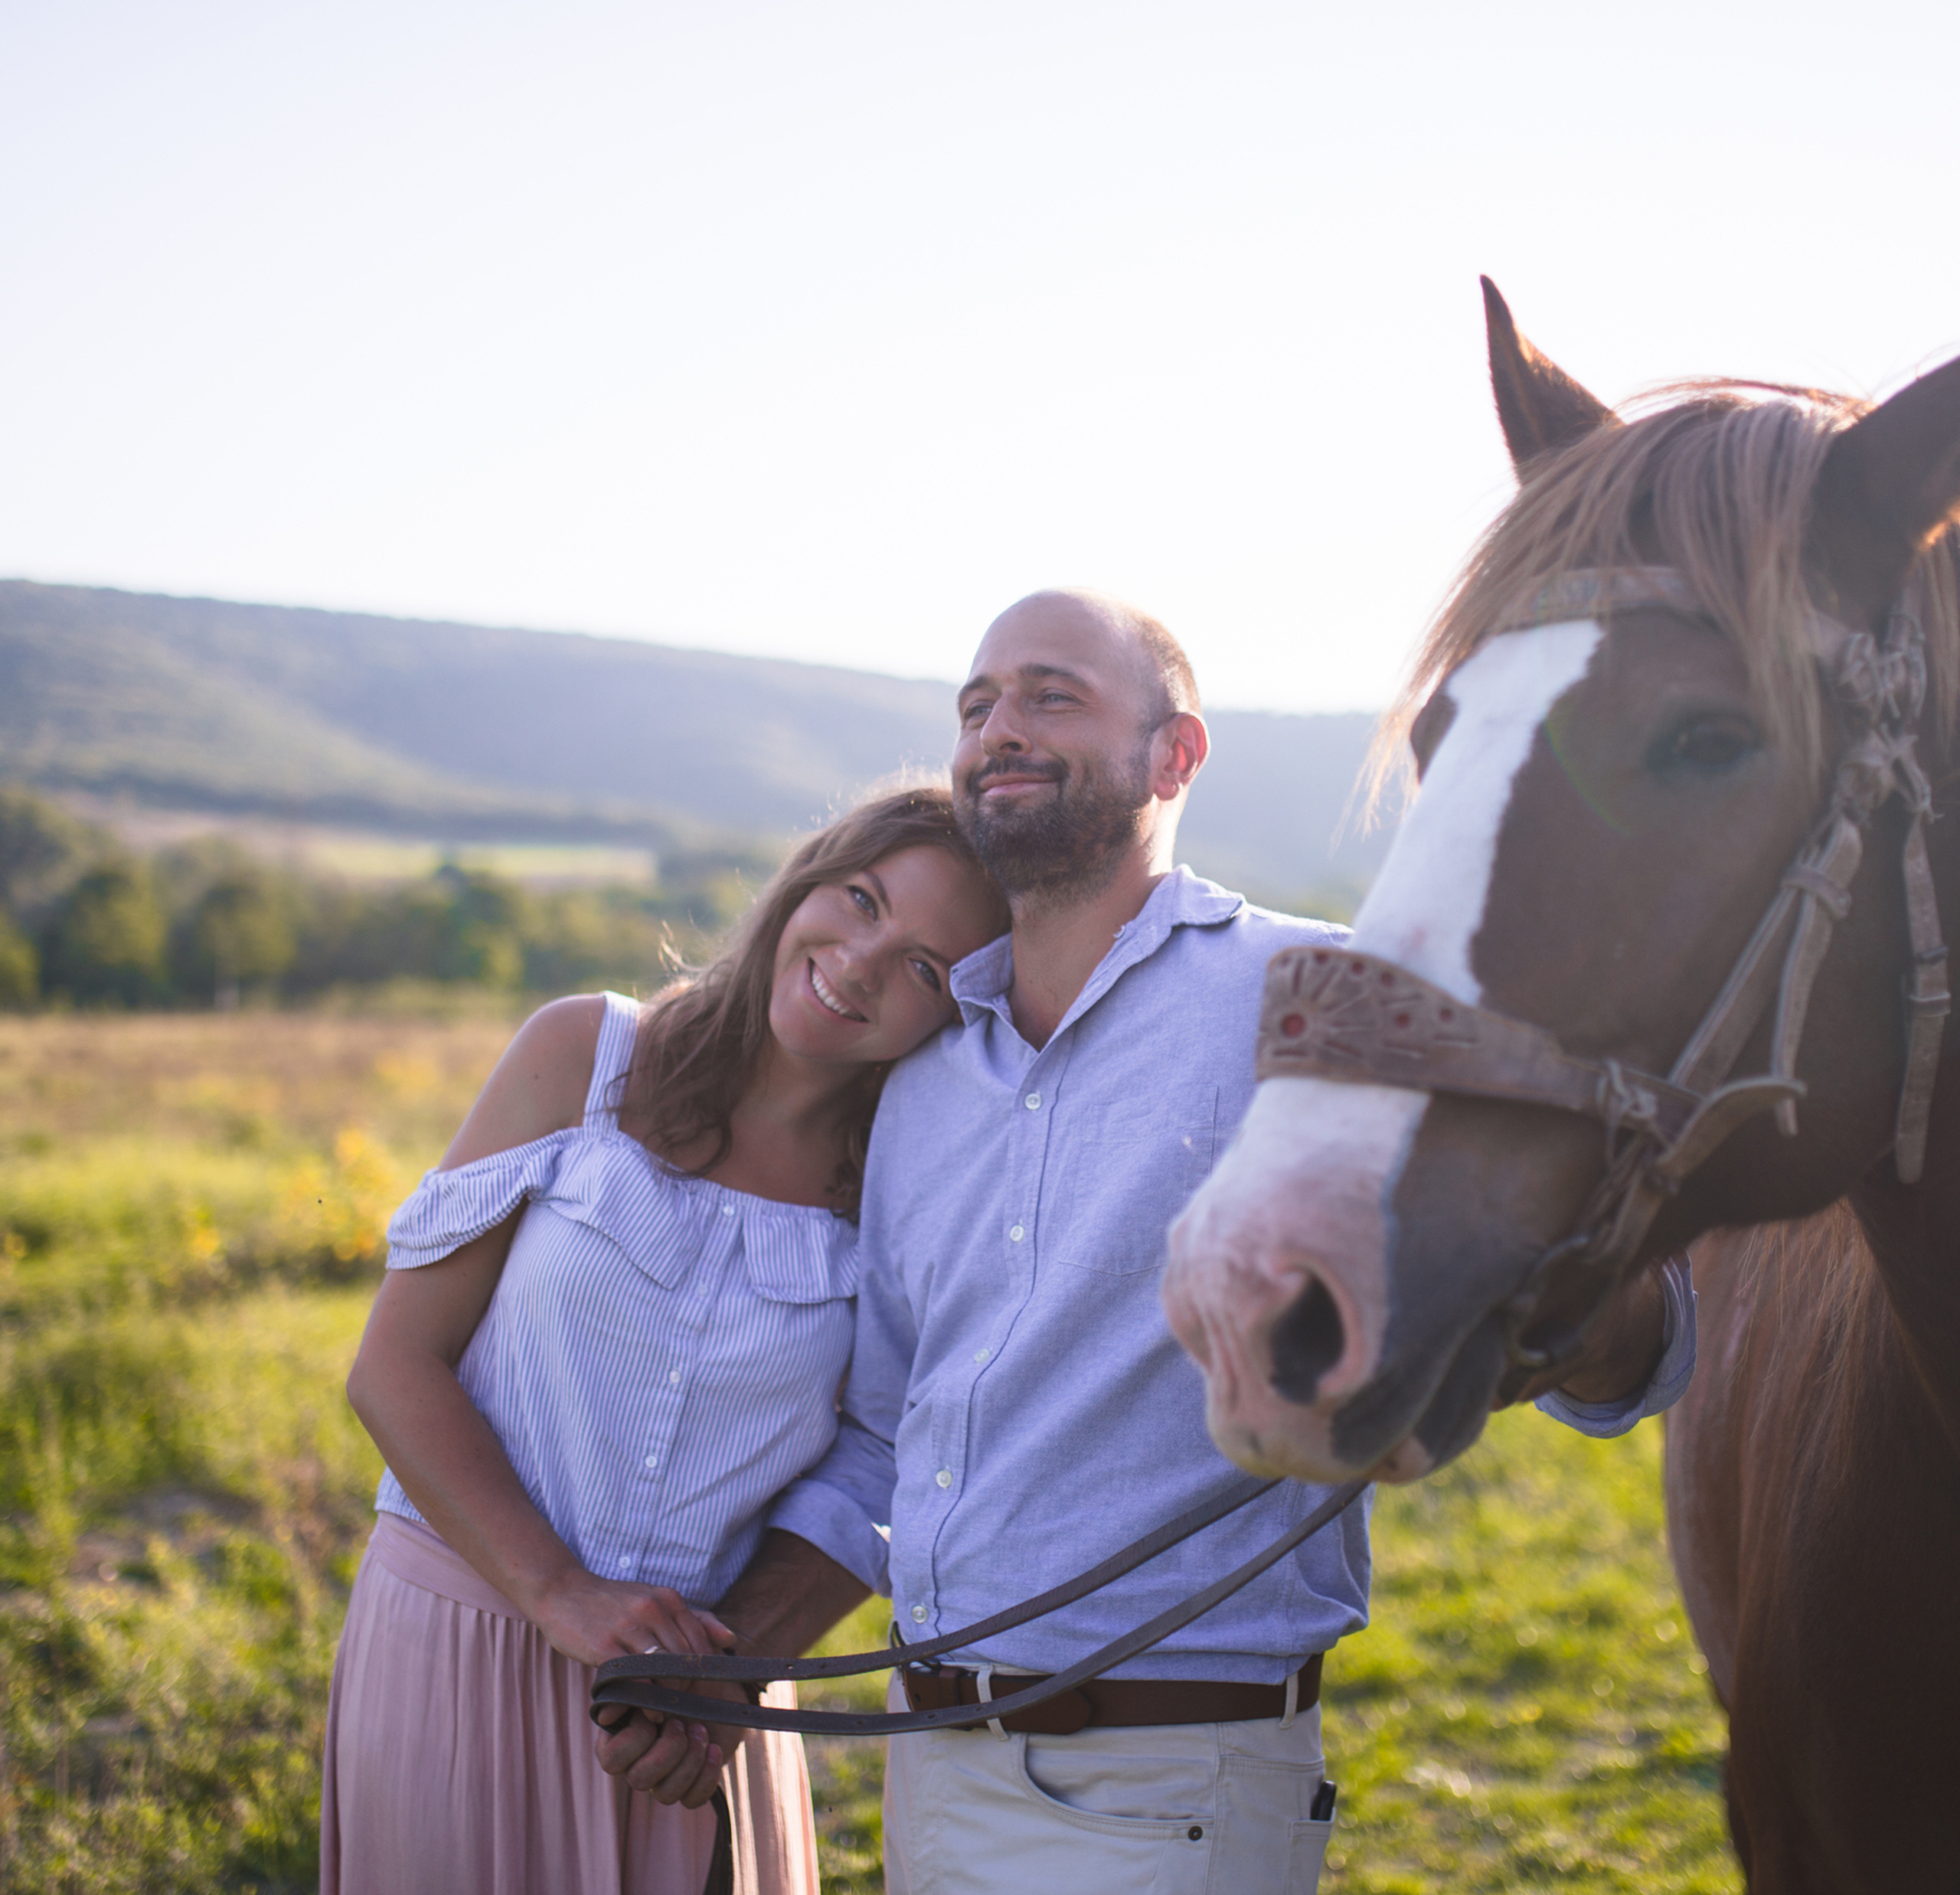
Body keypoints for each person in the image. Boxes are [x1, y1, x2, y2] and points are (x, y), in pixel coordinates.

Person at [597, 592, 1694, 1893]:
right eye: (977, 705)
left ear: (1176, 757)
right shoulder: (927, 1078)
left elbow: (1642, 1357)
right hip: (930, 1770)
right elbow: (886, 1443)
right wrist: (724, 1667)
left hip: (1175, 1787)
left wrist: (1548, 1276)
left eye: (1051, 695)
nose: (999, 729)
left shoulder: (1323, 1004)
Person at [320, 787, 1008, 1895]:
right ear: (807, 880)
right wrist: (560, 1591)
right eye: (862, 900)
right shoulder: (583, 1054)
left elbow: (878, 1459)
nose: (864, 961)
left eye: (928, 965)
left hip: (689, 1714)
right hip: (457, 1644)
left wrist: (729, 1673)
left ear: (959, 1007)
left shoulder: (910, 1186)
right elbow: (395, 1367)